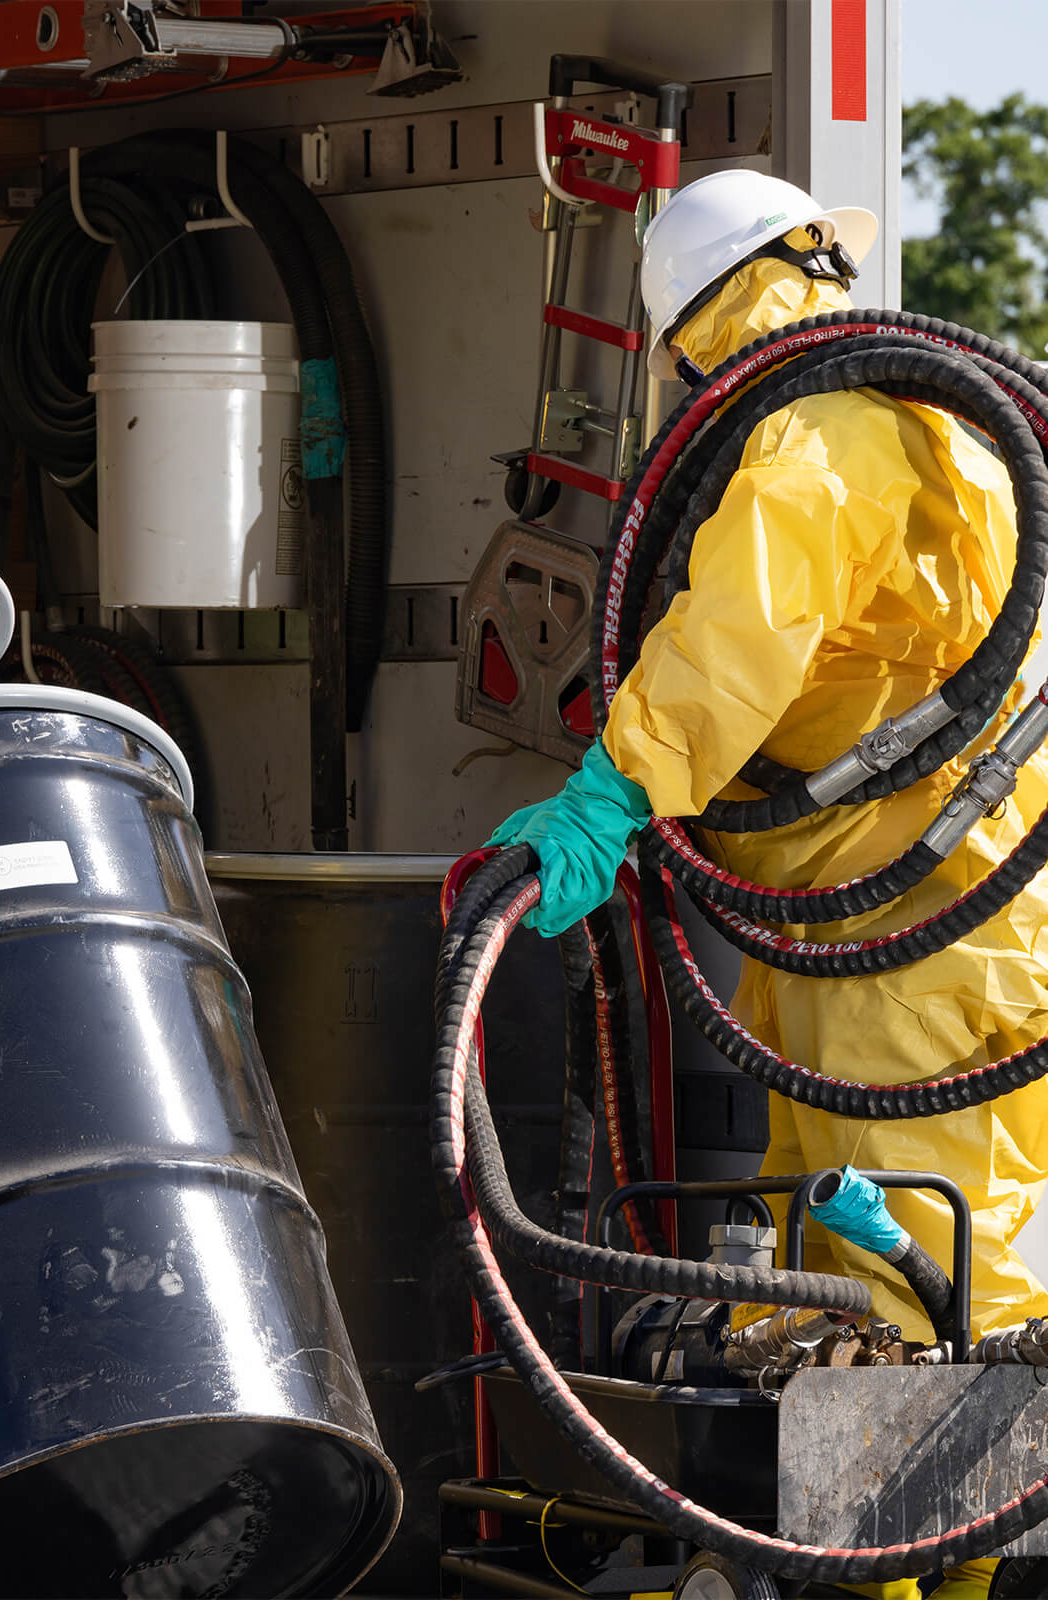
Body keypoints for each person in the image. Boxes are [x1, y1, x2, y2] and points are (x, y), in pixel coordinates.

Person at [489, 169, 1048, 1600]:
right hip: (889, 921)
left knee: (931, 1287)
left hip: (914, 931)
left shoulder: (815, 438)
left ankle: (932, 1576)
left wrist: (619, 789)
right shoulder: (944, 424)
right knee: (842, 1254)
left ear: (691, 332)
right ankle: (838, 1563)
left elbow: (742, 632)